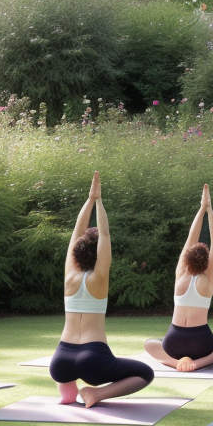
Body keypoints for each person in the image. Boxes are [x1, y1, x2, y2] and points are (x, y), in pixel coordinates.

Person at [49, 172, 154, 407]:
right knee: (145, 373)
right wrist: (100, 202)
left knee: (67, 395)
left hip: (61, 359)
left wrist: (89, 199)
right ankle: (96, 394)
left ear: (77, 251)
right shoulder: (99, 277)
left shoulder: (69, 275)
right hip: (93, 357)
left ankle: (69, 396)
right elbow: (104, 234)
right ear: (99, 254)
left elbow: (76, 234)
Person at [143, 183, 213, 372]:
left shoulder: (180, 276)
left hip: (173, 342)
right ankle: (198, 363)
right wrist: (210, 211)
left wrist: (202, 208)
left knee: (149, 343)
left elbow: (191, 238)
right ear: (207, 261)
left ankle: (175, 362)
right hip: (201, 343)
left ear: (186, 259)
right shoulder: (208, 280)